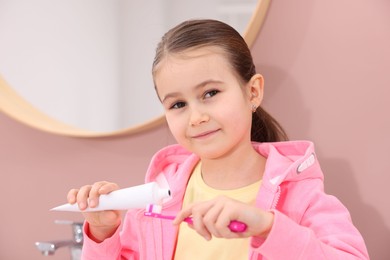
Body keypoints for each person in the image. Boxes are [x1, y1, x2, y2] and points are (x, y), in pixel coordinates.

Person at [67, 19, 369, 259]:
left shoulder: (302, 199)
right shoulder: (157, 200)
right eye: (178, 105)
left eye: (210, 93)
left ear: (252, 92)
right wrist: (103, 234)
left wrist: (267, 227)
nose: (195, 116)